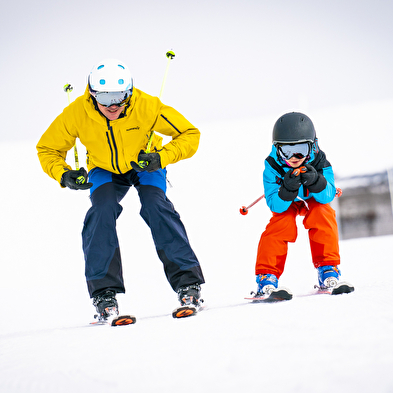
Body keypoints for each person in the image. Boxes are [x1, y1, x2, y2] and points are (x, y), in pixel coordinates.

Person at [37, 59, 205, 321]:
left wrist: (162, 156)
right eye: (105, 98)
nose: (113, 105)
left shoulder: (146, 105)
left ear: (130, 92)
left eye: (120, 97)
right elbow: (47, 148)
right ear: (92, 94)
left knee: (155, 206)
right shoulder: (76, 113)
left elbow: (189, 133)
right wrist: (64, 174)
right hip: (104, 169)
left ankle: (188, 284)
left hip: (144, 163)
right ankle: (104, 294)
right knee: (101, 211)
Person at [255, 112, 344, 295]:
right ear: (277, 148)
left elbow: (327, 196)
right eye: (286, 151)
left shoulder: (320, 161)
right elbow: (274, 205)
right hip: (288, 202)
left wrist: (317, 181)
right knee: (281, 224)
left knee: (323, 213)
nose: (294, 157)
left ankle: (327, 269)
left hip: (313, 198)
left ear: (312, 146)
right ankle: (267, 277)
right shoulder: (272, 166)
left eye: (301, 150)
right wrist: (286, 190)